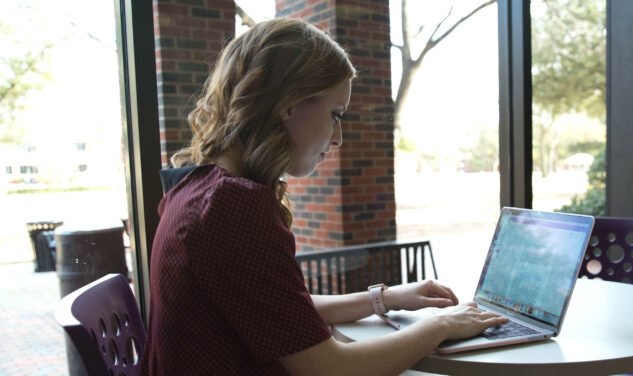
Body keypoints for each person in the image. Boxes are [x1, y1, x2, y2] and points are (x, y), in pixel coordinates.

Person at [141, 18, 507, 376]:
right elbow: (328, 368)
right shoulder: (232, 205)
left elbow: (283, 310)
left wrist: (386, 298)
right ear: (289, 104)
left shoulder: (198, 187)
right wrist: (440, 326)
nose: (338, 138)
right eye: (335, 114)